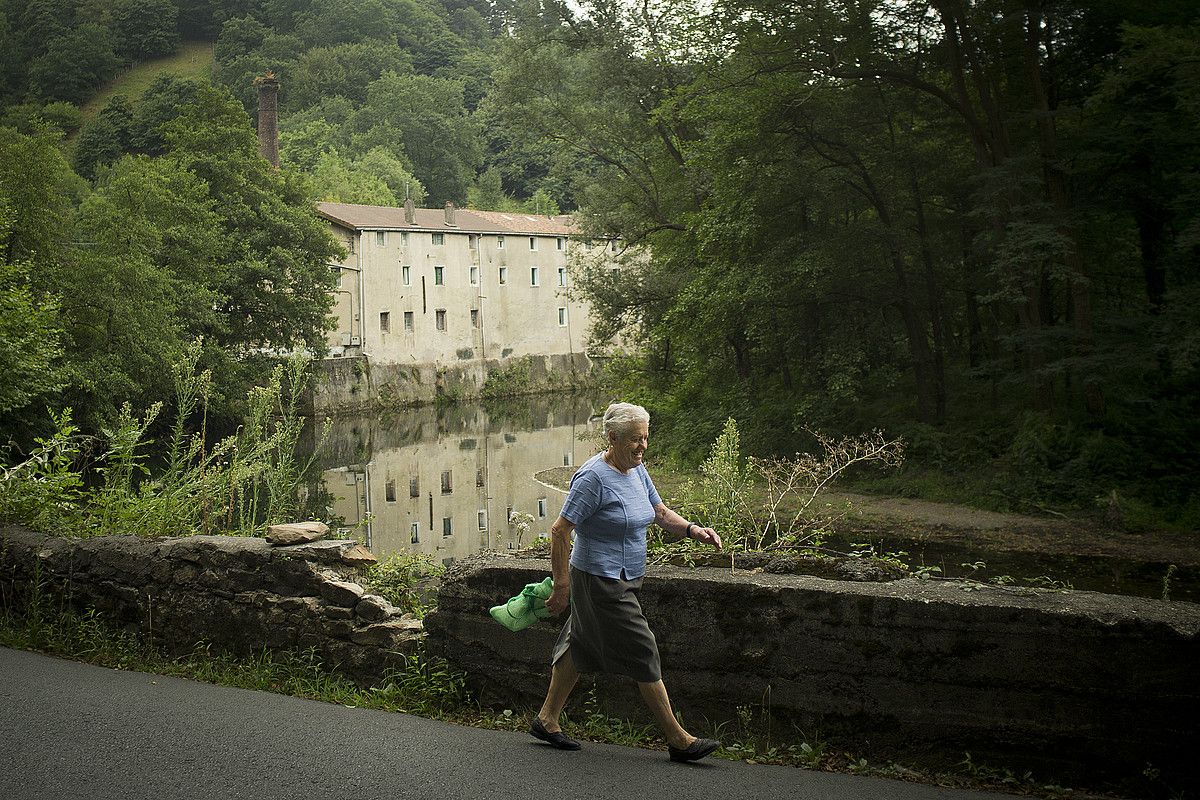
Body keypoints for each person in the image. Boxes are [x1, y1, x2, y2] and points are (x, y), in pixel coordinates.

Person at [529, 402, 724, 762]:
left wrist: (693, 530)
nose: (642, 446)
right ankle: (677, 738)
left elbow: (659, 512)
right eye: (635, 439)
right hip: (599, 579)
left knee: (580, 642)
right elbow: (559, 531)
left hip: (627, 575)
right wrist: (561, 585)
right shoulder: (592, 478)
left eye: (646, 438)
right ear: (612, 437)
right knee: (642, 647)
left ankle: (547, 719)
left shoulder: (636, 470)